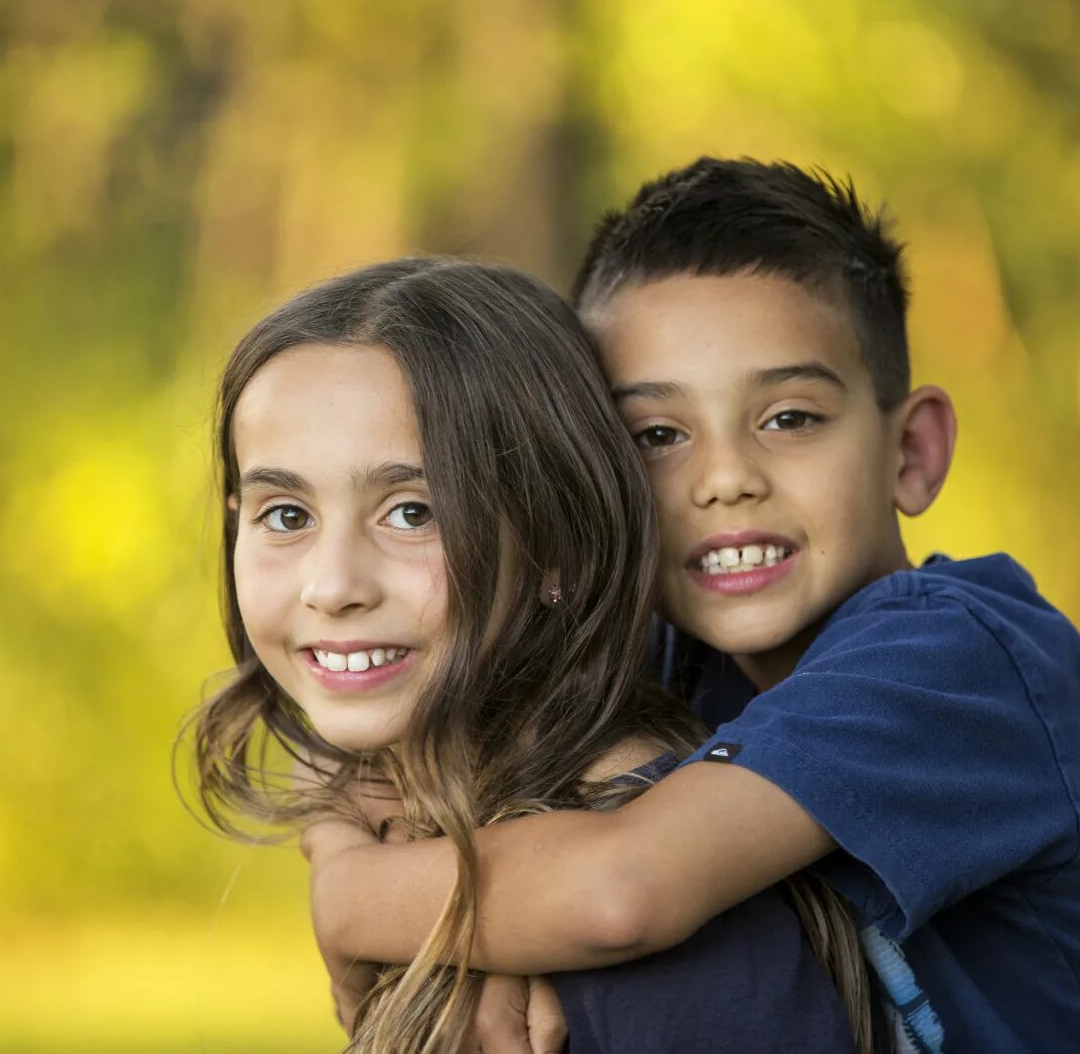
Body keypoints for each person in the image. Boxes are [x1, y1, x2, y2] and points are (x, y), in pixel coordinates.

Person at [304, 160, 1080, 1052]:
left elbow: (619, 891)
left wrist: (349, 899)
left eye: (788, 418)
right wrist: (483, 950)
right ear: (590, 481)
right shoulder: (659, 656)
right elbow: (399, 771)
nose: (724, 479)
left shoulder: (954, 656)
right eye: (654, 435)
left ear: (910, 452)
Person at [188, 256, 871, 1052]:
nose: (332, 586)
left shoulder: (663, 948)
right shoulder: (429, 815)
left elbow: (621, 899)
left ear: (559, 546)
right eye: (284, 514)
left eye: (413, 512)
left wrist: (349, 892)